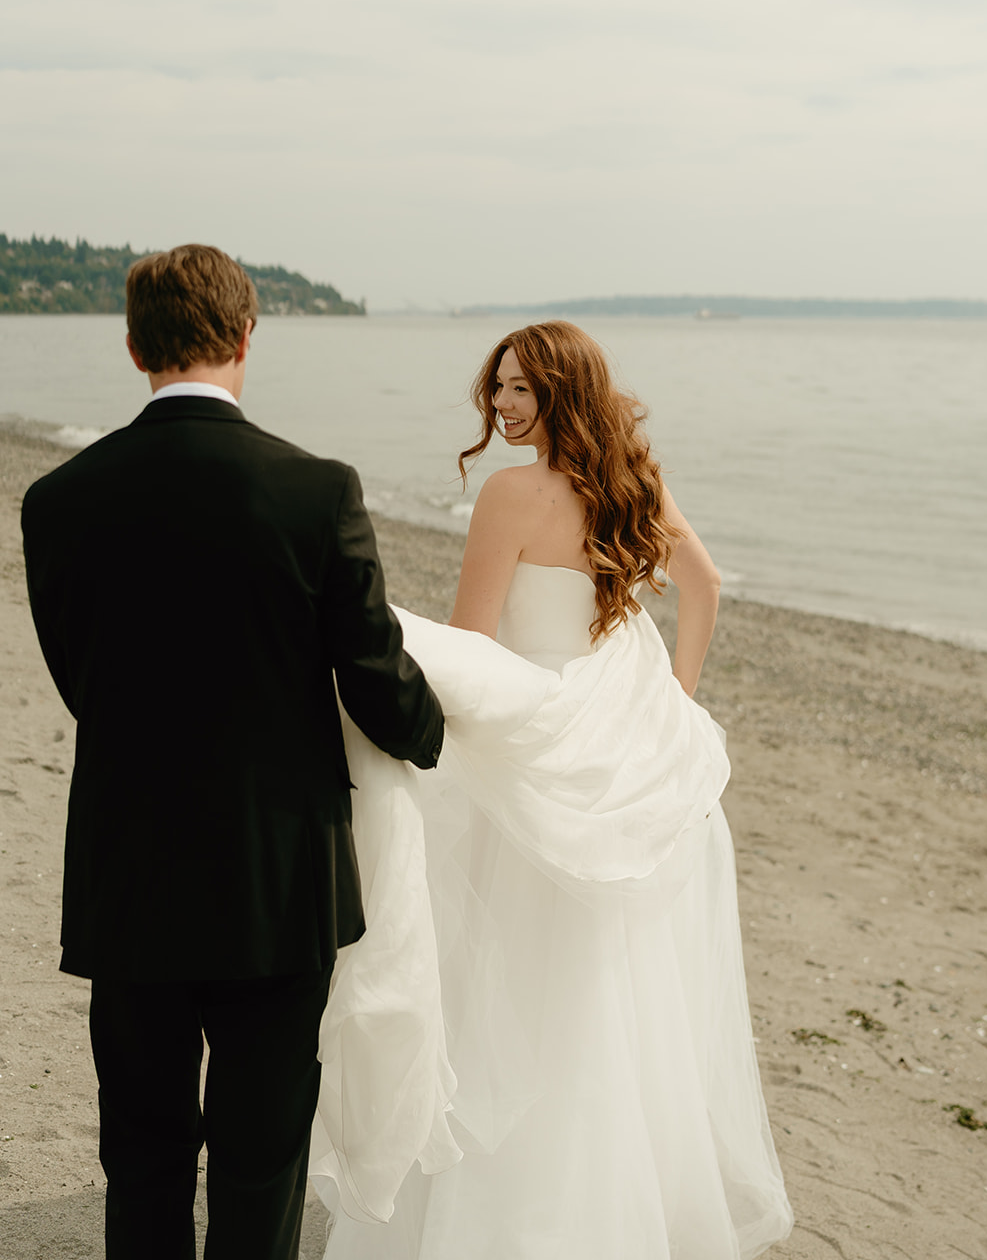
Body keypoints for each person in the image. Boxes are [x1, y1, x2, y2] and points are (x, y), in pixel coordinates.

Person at [312, 321, 793, 1259]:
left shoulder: (510, 492)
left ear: (565, 390)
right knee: (601, 987)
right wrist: (673, 700)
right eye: (498, 388)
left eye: (523, 390)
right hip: (611, 738)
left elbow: (470, 644)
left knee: (499, 984)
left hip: (530, 747)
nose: (502, 406)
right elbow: (702, 587)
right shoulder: (633, 480)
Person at [20, 244, 444, 1260]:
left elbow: (81, 678)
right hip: (275, 879)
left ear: (132, 347)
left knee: (144, 1147)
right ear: (247, 335)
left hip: (129, 875)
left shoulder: (57, 500)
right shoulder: (313, 490)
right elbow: (376, 681)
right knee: (261, 1160)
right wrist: (436, 731)